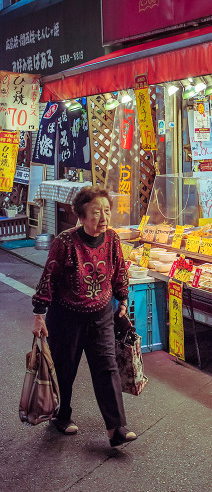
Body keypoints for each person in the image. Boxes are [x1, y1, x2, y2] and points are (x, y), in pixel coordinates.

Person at [32, 186, 137, 448]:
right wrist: (39, 315)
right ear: (81, 216)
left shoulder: (112, 238)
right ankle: (61, 415)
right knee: (65, 368)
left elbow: (119, 272)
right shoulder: (65, 242)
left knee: (107, 368)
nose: (103, 218)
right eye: (95, 213)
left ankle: (116, 428)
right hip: (66, 316)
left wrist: (122, 300)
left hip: (101, 315)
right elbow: (49, 278)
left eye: (106, 211)